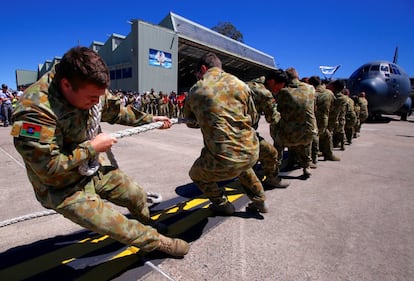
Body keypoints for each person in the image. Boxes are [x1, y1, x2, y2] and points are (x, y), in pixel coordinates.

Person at [11, 46, 189, 257]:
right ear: (66, 85)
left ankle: (146, 223)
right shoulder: (34, 111)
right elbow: (48, 168)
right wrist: (92, 147)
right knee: (115, 224)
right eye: (92, 98)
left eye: (99, 96)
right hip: (61, 188)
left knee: (136, 194)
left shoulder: (89, 86)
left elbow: (116, 111)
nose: (97, 102)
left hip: (91, 170)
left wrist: (150, 119)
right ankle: (156, 242)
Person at [183, 52, 268, 214]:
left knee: (196, 173)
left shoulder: (197, 89)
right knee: (242, 163)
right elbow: (254, 117)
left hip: (225, 160)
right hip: (251, 153)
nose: (197, 77)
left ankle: (222, 204)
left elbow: (190, 122)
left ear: (203, 69)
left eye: (197, 74)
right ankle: (260, 199)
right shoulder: (241, 85)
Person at [271, 67, 317, 178]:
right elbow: (314, 108)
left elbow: (274, 110)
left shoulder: (281, 91)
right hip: (308, 134)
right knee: (306, 140)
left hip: (287, 136)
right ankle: (306, 166)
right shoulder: (311, 88)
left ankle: (275, 168)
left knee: (276, 136)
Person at [247, 72, 289, 189]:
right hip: (244, 133)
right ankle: (272, 179)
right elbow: (272, 119)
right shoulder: (265, 93)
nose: (277, 91)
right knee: (271, 153)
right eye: (277, 88)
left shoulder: (247, 84)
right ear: (271, 82)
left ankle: (254, 175)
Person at [308, 76, 340, 161]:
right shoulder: (329, 93)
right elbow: (334, 108)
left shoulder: (311, 93)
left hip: (311, 120)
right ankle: (328, 154)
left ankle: (311, 157)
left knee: (312, 138)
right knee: (327, 136)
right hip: (324, 121)